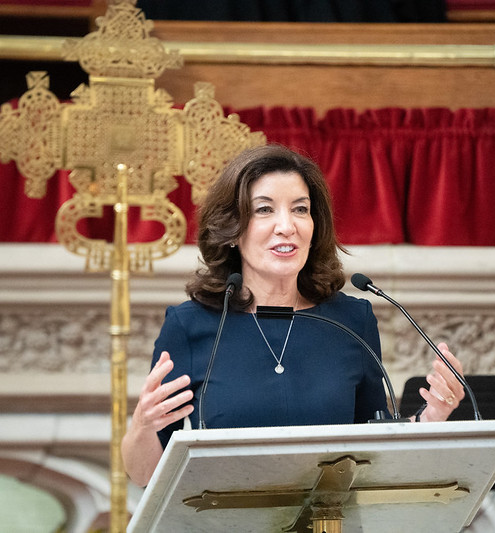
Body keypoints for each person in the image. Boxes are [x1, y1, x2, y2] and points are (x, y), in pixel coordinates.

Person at [121, 144, 466, 487]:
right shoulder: (190, 325)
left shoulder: (351, 320)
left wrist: (432, 415)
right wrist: (143, 426)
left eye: (300, 209)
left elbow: (378, 451)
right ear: (232, 230)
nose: (286, 226)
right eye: (264, 210)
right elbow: (146, 477)